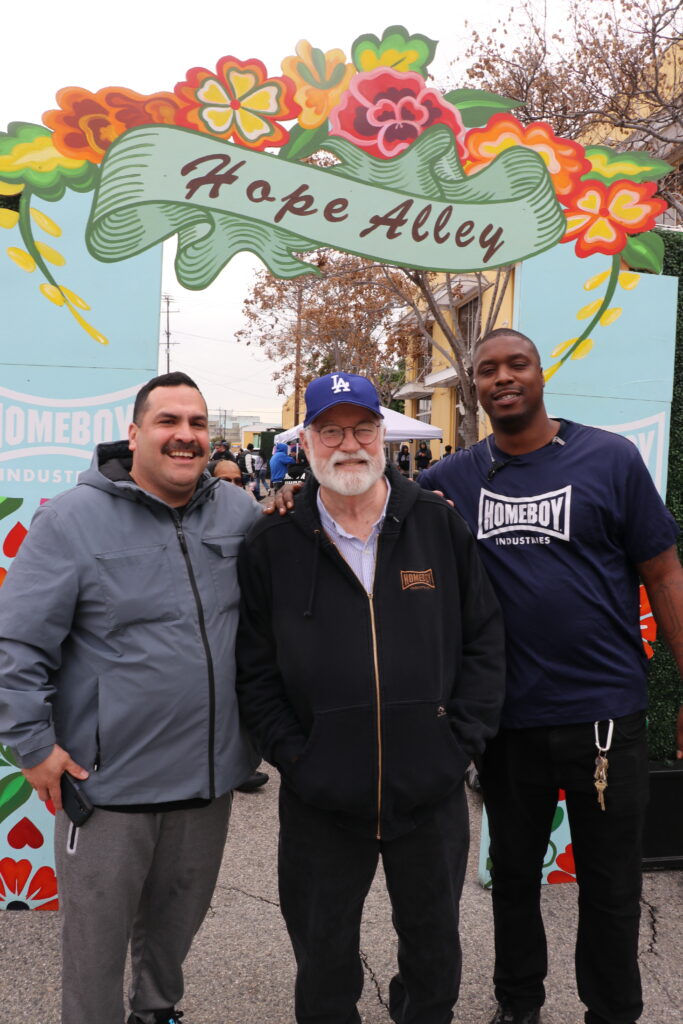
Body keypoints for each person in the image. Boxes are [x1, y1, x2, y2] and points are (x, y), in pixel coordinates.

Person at [418, 329, 683, 1024]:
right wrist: (290, 497)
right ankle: (517, 1004)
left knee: (608, 884)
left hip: (603, 717)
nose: (502, 378)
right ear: (472, 386)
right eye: (486, 371)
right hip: (505, 721)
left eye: (516, 365)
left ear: (540, 373)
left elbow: (662, 572)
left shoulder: (609, 458)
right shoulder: (450, 479)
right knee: (512, 878)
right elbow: (367, 512)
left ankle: (612, 1010)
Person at [237, 371, 506, 1024]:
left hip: (430, 792)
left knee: (435, 956)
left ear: (382, 436)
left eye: (361, 428)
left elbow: (484, 642)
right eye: (331, 430)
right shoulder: (271, 542)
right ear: (304, 441)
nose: (347, 443)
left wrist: (457, 744)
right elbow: (254, 670)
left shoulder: (439, 528)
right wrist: (296, 759)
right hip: (320, 800)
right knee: (324, 967)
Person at [0, 371, 262, 1024]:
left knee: (176, 926)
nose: (185, 435)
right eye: (169, 421)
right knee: (95, 949)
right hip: (108, 787)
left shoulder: (238, 513)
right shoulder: (70, 520)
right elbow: (16, 643)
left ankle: (156, 1011)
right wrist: (33, 748)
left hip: (208, 780)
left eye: (197, 424)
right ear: (134, 433)